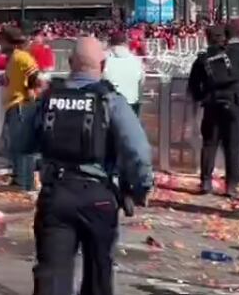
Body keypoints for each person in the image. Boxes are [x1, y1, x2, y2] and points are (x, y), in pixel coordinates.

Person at [13, 37, 153, 295]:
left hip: (56, 193)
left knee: (51, 277)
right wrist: (140, 189)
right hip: (98, 196)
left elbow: (19, 143)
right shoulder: (110, 100)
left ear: (69, 63)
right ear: (103, 64)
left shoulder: (49, 99)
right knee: (99, 275)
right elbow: (138, 152)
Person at [187, 24, 239, 197]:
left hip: (212, 102)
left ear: (207, 39)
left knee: (209, 143)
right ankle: (231, 185)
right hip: (234, 101)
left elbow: (193, 86)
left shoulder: (203, 58)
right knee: (232, 144)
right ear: (225, 38)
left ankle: (206, 182)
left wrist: (202, 97)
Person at [0, 26, 44, 191]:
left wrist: (31, 89)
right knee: (17, 145)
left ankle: (23, 182)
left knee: (22, 145)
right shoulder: (13, 58)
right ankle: (21, 180)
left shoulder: (21, 56)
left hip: (21, 106)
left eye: (2, 40)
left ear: (9, 42)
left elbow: (33, 72)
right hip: (16, 105)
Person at [103, 32, 145, 115]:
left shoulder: (103, 59)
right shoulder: (137, 61)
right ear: (126, 43)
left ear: (110, 43)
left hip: (109, 106)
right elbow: (141, 83)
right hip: (131, 106)